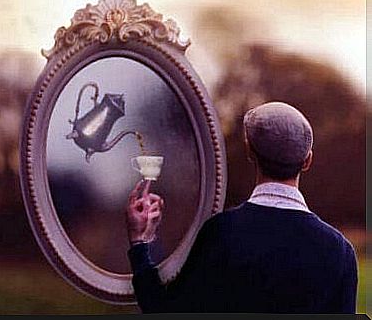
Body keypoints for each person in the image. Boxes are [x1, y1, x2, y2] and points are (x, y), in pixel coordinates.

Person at [125, 102, 358, 314]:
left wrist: (140, 243)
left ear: (250, 152)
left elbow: (165, 311)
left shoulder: (221, 234)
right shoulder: (340, 252)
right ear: (307, 160)